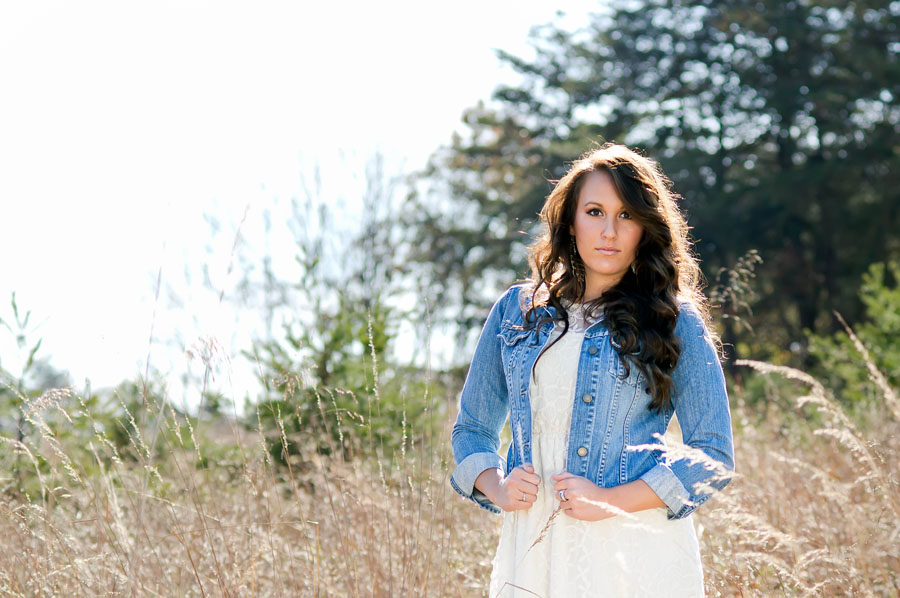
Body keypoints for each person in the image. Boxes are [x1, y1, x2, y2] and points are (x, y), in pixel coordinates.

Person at [449, 143, 735, 597]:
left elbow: (713, 454)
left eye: (626, 216)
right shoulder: (516, 311)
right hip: (534, 546)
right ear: (571, 221)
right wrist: (497, 486)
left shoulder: (672, 319)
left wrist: (608, 501)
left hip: (633, 548)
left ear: (645, 227)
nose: (609, 231)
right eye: (595, 211)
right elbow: (471, 429)